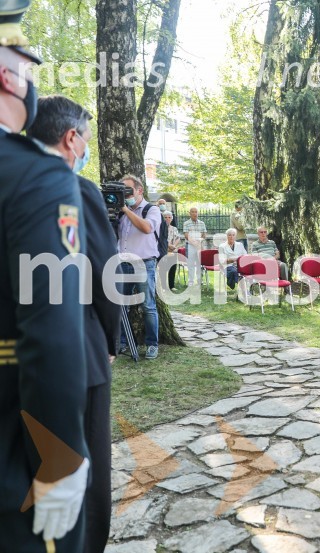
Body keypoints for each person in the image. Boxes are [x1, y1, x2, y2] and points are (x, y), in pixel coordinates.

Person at [0, 3, 90, 548]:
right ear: (7, 76)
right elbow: (51, 333)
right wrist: (58, 459)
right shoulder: (35, 178)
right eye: (26, 66)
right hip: (13, 468)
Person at [28, 94, 121, 553]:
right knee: (87, 472)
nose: (85, 146)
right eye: (85, 137)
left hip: (19, 355)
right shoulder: (77, 191)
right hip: (78, 352)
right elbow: (105, 276)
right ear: (70, 139)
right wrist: (107, 339)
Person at [117, 174, 161, 359]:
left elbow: (146, 229)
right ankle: (122, 342)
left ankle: (152, 344)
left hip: (144, 263)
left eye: (129, 191)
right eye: (123, 192)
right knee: (121, 305)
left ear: (140, 190)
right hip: (122, 263)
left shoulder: (151, 209)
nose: (126, 195)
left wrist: (126, 210)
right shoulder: (119, 211)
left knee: (148, 305)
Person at [182, 207, 206, 286]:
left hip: (199, 245)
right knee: (191, 264)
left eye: (196, 212)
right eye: (193, 212)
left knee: (199, 263)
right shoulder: (186, 223)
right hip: (190, 246)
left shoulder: (202, 223)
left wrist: (200, 241)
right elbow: (186, 235)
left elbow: (204, 234)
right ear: (190, 213)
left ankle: (199, 280)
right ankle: (191, 281)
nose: (195, 213)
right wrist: (194, 243)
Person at [163, 211, 180, 290]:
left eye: (169, 217)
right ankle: (163, 286)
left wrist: (173, 246)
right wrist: (169, 246)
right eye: (165, 217)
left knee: (172, 268)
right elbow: (162, 239)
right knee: (163, 269)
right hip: (164, 251)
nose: (167, 219)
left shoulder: (174, 228)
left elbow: (178, 238)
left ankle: (171, 286)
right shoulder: (160, 228)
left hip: (173, 251)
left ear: (172, 219)